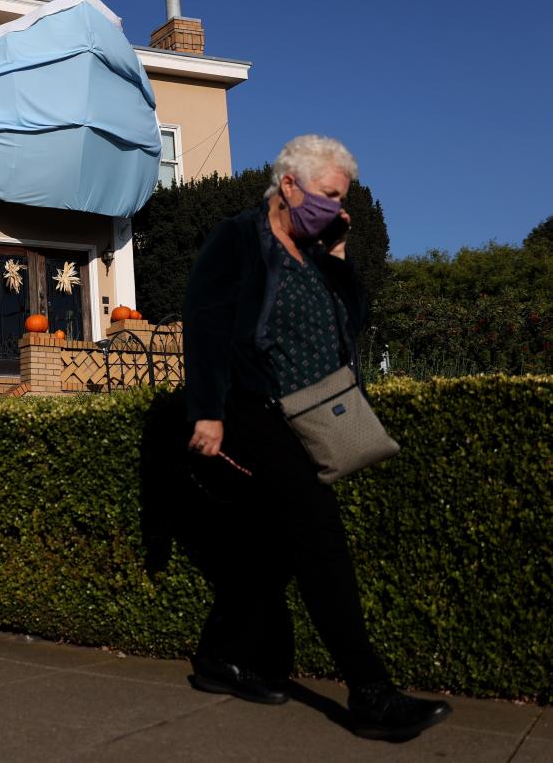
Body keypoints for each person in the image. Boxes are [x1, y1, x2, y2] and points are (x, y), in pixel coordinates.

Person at [180, 134, 451, 741]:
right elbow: (204, 321)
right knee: (320, 535)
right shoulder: (238, 238)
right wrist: (207, 411)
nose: (336, 207)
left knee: (269, 548)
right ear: (290, 185)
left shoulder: (314, 252)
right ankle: (370, 694)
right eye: (330, 196)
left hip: (314, 410)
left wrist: (338, 250)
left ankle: (220, 660)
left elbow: (350, 319)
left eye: (342, 200)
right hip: (254, 409)